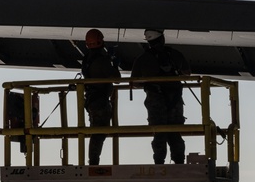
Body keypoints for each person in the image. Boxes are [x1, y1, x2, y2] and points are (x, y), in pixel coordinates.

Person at [131, 28, 190, 165]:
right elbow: (187, 73)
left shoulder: (142, 59)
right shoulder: (175, 54)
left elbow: (133, 83)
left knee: (159, 133)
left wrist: (148, 83)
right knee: (175, 133)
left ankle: (159, 163)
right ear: (162, 39)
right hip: (175, 101)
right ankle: (179, 162)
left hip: (155, 102)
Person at [80, 28, 120, 166]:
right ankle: (94, 162)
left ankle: (93, 161)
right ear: (100, 41)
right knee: (99, 132)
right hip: (100, 101)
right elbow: (117, 79)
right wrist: (114, 64)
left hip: (91, 99)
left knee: (96, 131)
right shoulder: (101, 61)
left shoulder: (88, 59)